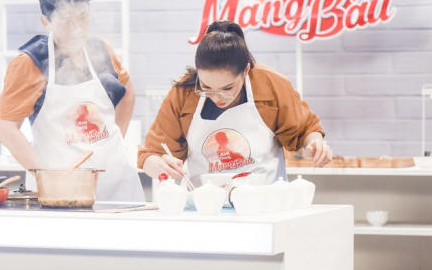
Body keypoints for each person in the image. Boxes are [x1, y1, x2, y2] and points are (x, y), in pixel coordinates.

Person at [0, 0, 144, 202]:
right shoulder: (29, 63)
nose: (76, 29)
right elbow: (7, 129)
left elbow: (127, 92)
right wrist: (46, 177)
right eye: (66, 20)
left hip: (117, 183)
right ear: (45, 21)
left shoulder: (101, 50)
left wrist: (117, 140)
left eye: (82, 16)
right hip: (62, 190)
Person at [138, 20, 332, 183]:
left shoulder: (271, 84)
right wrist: (158, 165)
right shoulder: (183, 93)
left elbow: (306, 129)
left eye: (227, 88)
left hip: (265, 202)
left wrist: (315, 144)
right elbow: (151, 153)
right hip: (205, 204)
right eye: (206, 87)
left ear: (246, 70)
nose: (217, 97)